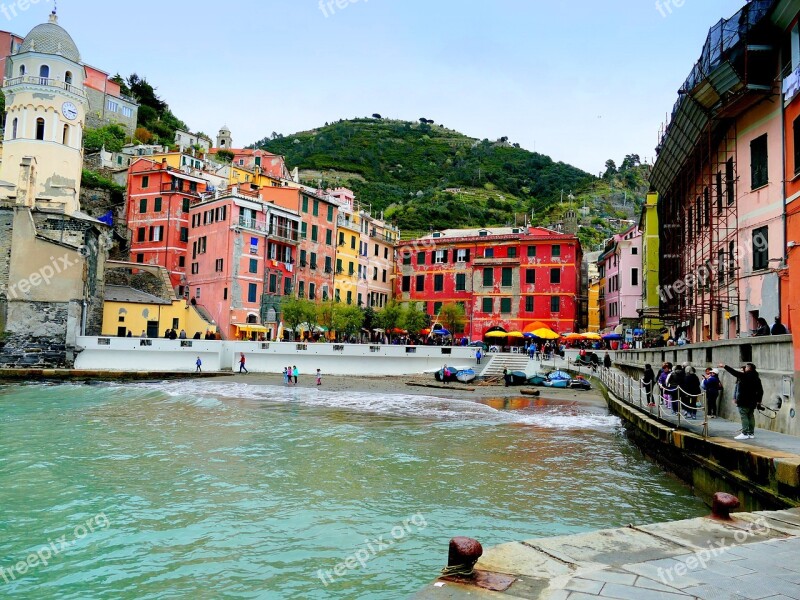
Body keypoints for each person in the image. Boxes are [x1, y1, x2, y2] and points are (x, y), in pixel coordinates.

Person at [719, 362, 763, 440]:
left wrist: (725, 366)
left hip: (744, 400)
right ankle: (751, 433)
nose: (745, 369)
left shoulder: (745, 376)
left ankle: (745, 433)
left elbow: (734, 372)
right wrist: (759, 401)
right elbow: (760, 391)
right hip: (753, 401)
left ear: (749, 368)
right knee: (751, 416)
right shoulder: (757, 378)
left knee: (744, 416)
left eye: (746, 367)